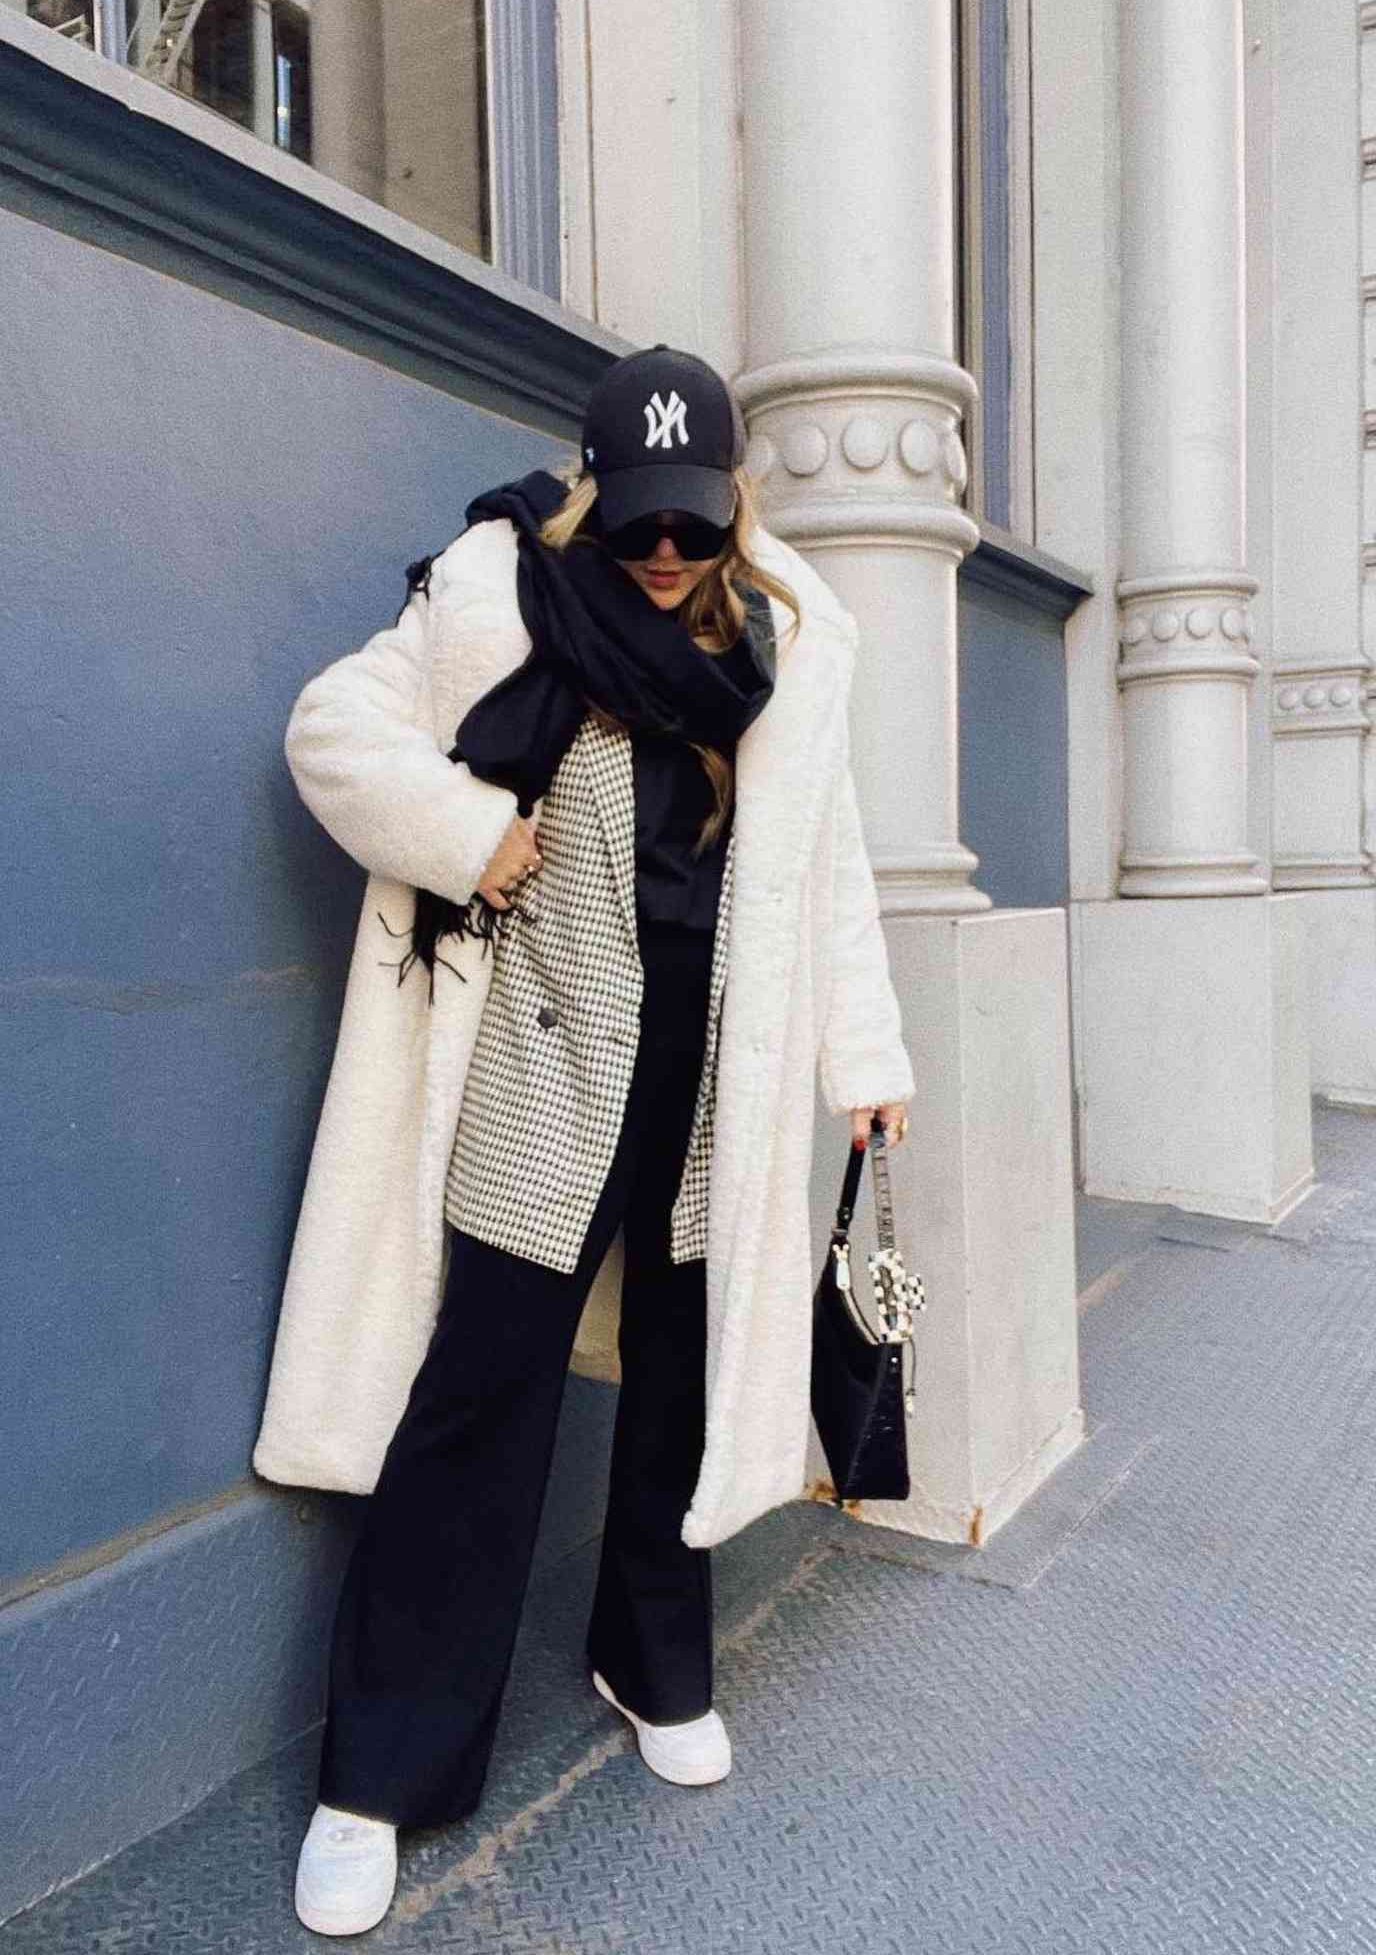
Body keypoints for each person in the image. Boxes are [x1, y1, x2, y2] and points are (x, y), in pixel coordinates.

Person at [255, 344, 915, 1936]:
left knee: (683, 1392)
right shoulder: (493, 595)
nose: (668, 556)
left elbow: (826, 865)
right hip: (546, 1068)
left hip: (716, 1085)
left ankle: (653, 1658)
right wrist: (471, 831)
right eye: (641, 529)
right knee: (477, 1402)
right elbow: (331, 734)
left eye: (693, 525)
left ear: (735, 505)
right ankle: (379, 1773)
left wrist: (866, 1053)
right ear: (596, 501)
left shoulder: (792, 642)